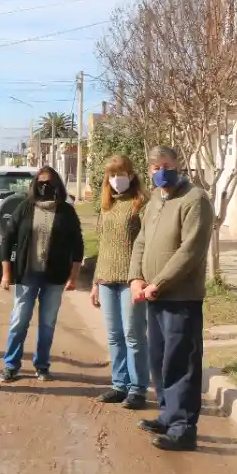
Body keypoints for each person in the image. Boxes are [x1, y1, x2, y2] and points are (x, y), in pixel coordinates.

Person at [129, 145, 214, 452]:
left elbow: (190, 251)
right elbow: (140, 241)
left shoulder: (194, 200)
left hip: (180, 296)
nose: (160, 171)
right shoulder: (155, 201)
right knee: (159, 359)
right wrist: (136, 277)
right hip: (153, 295)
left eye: (166, 165)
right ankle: (168, 414)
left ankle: (183, 428)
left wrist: (159, 283)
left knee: (181, 362)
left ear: (178, 165)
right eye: (154, 168)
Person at [0, 168, 84, 383]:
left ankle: (42, 365)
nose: (44, 186)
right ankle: (11, 365)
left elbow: (78, 245)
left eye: (49, 182)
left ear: (57, 185)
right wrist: (6, 273)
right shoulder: (25, 208)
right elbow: (8, 239)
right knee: (19, 321)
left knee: (47, 324)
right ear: (35, 184)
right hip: (26, 274)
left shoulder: (66, 211)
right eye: (41, 182)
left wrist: (73, 277)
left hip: (54, 277)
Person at [90, 156, 150, 408]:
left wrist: (142, 278)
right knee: (114, 336)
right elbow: (103, 246)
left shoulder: (141, 205)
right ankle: (119, 384)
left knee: (133, 334)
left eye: (121, 173)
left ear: (132, 175)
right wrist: (95, 282)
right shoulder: (106, 206)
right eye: (112, 175)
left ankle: (138, 389)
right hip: (106, 279)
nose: (116, 179)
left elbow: (147, 244)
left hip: (131, 279)